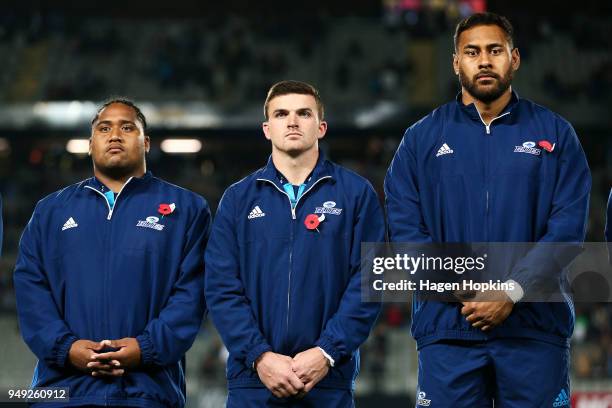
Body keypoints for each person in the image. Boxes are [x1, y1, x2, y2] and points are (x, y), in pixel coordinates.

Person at [385, 12, 591, 407]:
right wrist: (463, 288)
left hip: (534, 330)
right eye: (472, 52)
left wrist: (512, 291)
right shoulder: (420, 140)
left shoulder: (555, 134)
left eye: (494, 50)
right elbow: (407, 235)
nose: (483, 61)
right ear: (455, 62)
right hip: (448, 330)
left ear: (514, 58)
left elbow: (567, 231)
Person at [14, 98, 211, 407]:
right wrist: (67, 349)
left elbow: (191, 296)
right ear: (91, 144)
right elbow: (31, 291)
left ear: (145, 142)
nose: (115, 135)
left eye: (127, 127)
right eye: (104, 128)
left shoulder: (187, 209)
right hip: (60, 394)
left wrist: (145, 348)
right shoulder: (50, 211)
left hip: (148, 394)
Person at [204, 80, 384, 407]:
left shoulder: (357, 194)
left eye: (303, 113)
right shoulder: (237, 199)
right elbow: (221, 287)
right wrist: (258, 356)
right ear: (266, 128)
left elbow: (370, 281)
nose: (292, 121)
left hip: (328, 381)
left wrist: (327, 351)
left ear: (321, 126)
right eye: (281, 114)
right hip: (253, 382)